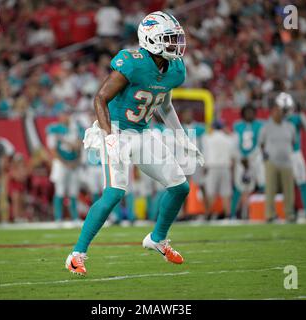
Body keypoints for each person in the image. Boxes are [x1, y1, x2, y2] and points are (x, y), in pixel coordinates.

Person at [66, 11, 204, 276]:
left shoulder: (174, 68)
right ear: (151, 40)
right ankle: (76, 255)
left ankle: (157, 239)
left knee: (180, 187)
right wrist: (109, 137)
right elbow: (100, 99)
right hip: (117, 130)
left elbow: (164, 104)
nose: (176, 44)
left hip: (141, 133)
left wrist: (181, 137)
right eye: (169, 39)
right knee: (114, 193)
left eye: (175, 38)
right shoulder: (133, 62)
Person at [259, 93, 297, 223]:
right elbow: (261, 144)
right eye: (275, 110)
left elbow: (293, 142)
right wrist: (266, 157)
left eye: (279, 110)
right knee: (270, 190)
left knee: (289, 191)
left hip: (287, 162)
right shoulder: (266, 127)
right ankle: (270, 214)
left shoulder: (290, 126)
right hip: (271, 162)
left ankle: (289, 213)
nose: (278, 113)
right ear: (272, 112)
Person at [46, 111, 82, 223]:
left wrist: (76, 161)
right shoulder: (54, 129)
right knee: (60, 190)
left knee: (73, 191)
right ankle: (58, 217)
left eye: (67, 114)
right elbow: (52, 150)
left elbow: (78, 146)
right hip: (61, 164)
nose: (65, 117)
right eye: (63, 115)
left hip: (74, 164)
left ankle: (74, 217)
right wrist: (65, 162)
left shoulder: (75, 129)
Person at [230, 104, 265, 219]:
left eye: (251, 112)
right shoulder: (237, 125)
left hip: (256, 159)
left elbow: (260, 143)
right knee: (239, 186)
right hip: (242, 160)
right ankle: (233, 214)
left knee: (262, 182)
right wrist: (241, 158)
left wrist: (250, 158)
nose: (249, 114)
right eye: (247, 112)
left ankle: (262, 211)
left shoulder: (260, 124)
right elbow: (235, 143)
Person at [284, 101, 306, 220]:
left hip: (295, 154)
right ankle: (289, 211)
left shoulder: (296, 118)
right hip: (283, 155)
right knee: (286, 185)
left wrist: (301, 113)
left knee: (302, 182)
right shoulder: (278, 119)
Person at [202, 120, 236, 219]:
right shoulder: (228, 138)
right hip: (225, 167)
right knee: (226, 193)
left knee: (211, 192)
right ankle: (228, 214)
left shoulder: (207, 138)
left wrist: (204, 167)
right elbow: (232, 155)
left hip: (212, 167)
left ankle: (208, 214)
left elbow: (205, 153)